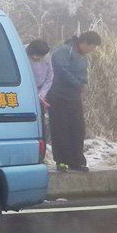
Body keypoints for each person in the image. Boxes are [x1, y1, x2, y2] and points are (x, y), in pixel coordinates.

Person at [47, 31, 101, 172]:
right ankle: (62, 161)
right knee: (61, 127)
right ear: (85, 43)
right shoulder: (64, 51)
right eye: (92, 46)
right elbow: (62, 71)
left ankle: (77, 161)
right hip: (58, 95)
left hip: (74, 96)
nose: (92, 50)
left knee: (77, 128)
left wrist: (83, 83)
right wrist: (77, 83)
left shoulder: (82, 56)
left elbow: (82, 74)